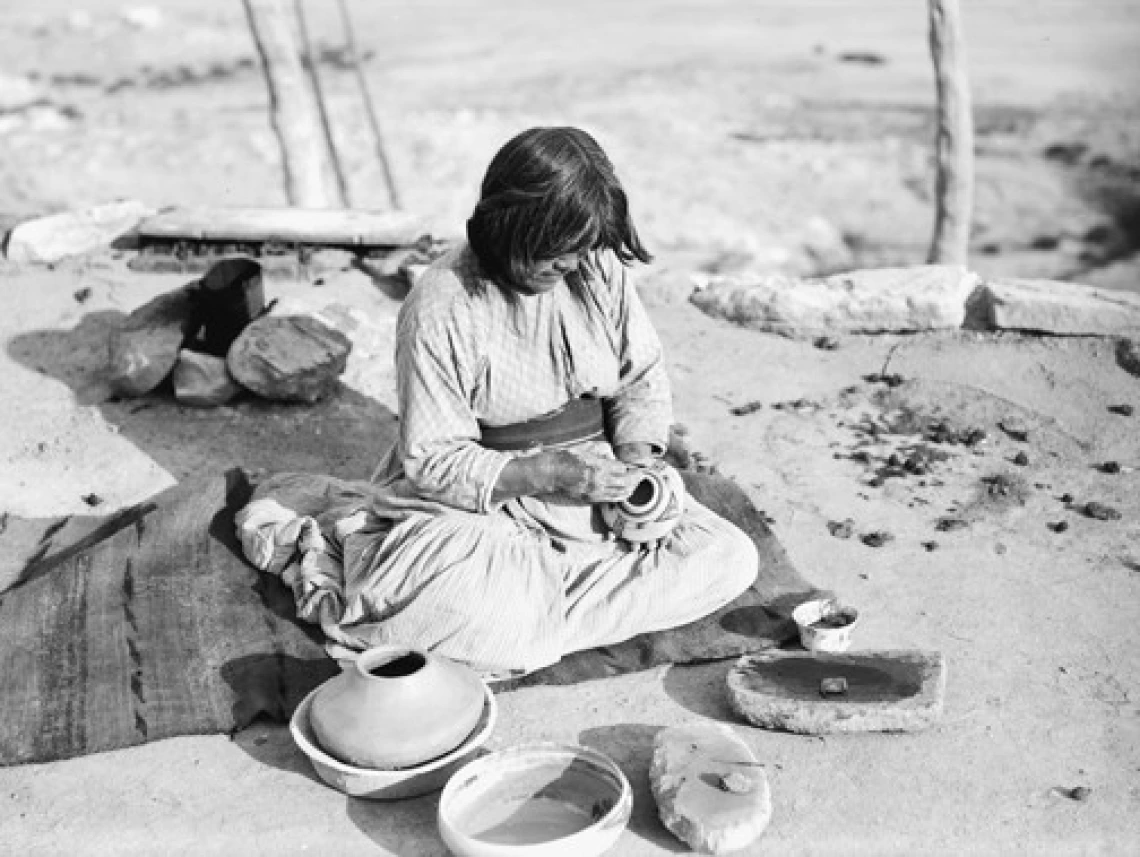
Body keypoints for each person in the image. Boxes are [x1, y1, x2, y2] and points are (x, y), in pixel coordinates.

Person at [238, 126, 758, 680]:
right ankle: (522, 614)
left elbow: (641, 374)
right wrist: (548, 473)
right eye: (557, 253)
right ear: (512, 228)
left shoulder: (595, 266)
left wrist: (635, 460)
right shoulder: (441, 302)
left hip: (596, 495)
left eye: (581, 251)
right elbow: (434, 461)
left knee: (726, 557)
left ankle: (529, 622)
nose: (574, 265)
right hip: (481, 510)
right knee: (485, 600)